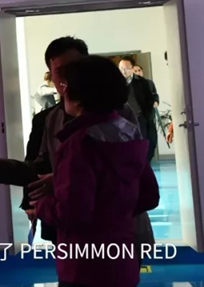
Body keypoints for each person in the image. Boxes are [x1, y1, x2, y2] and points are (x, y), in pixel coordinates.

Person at [0, 37, 155, 252]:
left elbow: (133, 177)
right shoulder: (51, 118)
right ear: (51, 76)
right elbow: (42, 167)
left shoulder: (119, 115)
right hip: (74, 236)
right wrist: (0, 167)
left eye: (76, 69)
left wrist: (54, 193)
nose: (69, 79)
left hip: (114, 231)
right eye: (61, 72)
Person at [31, 55, 160, 287]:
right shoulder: (128, 132)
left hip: (84, 265)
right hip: (121, 257)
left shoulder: (79, 144)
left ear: (79, 96)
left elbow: (73, 213)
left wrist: (41, 205)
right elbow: (149, 195)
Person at [119, 57, 158, 162]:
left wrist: (148, 115)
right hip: (123, 119)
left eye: (126, 68)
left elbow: (150, 98)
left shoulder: (142, 82)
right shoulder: (114, 83)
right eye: (121, 68)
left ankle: (144, 164)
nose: (123, 71)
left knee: (145, 143)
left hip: (140, 118)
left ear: (132, 68)